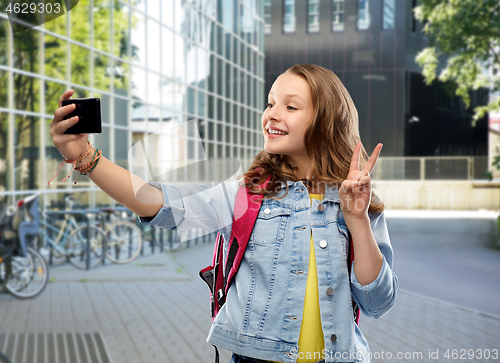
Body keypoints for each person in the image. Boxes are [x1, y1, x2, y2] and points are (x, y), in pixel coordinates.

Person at [49, 64, 398, 363]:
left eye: (291, 107)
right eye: (270, 103)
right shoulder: (247, 194)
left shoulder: (357, 202)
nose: (271, 114)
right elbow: (157, 203)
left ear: (326, 120)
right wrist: (86, 158)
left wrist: (357, 220)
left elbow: (376, 302)